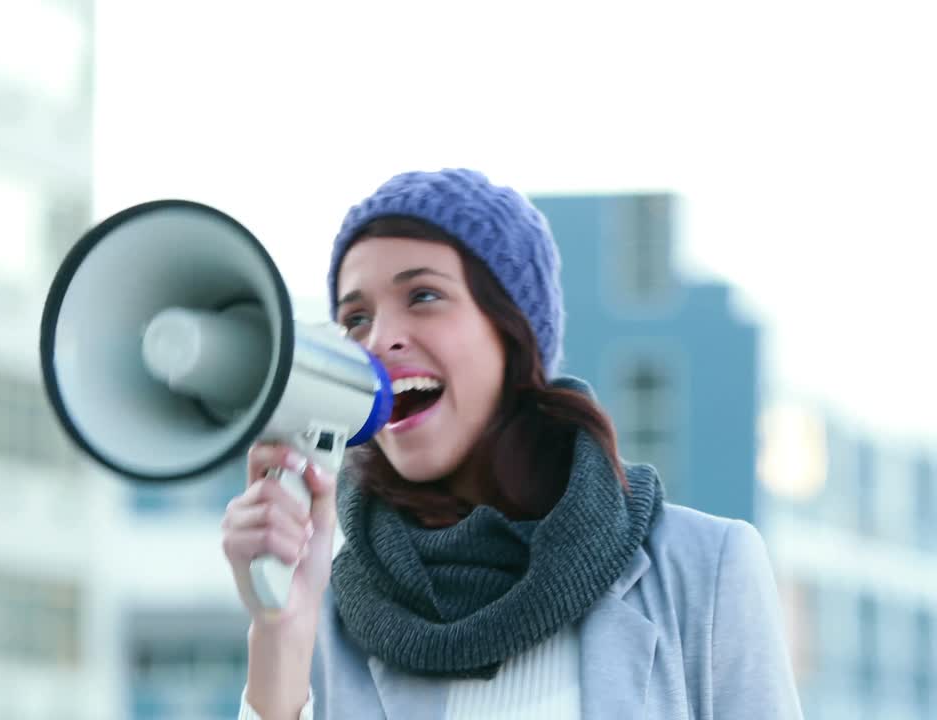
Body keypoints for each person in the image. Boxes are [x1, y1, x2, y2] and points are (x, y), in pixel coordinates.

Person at [221, 168, 803, 719]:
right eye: (355, 319)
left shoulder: (706, 567)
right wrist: (281, 635)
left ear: (513, 330)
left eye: (423, 296)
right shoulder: (325, 610)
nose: (382, 339)